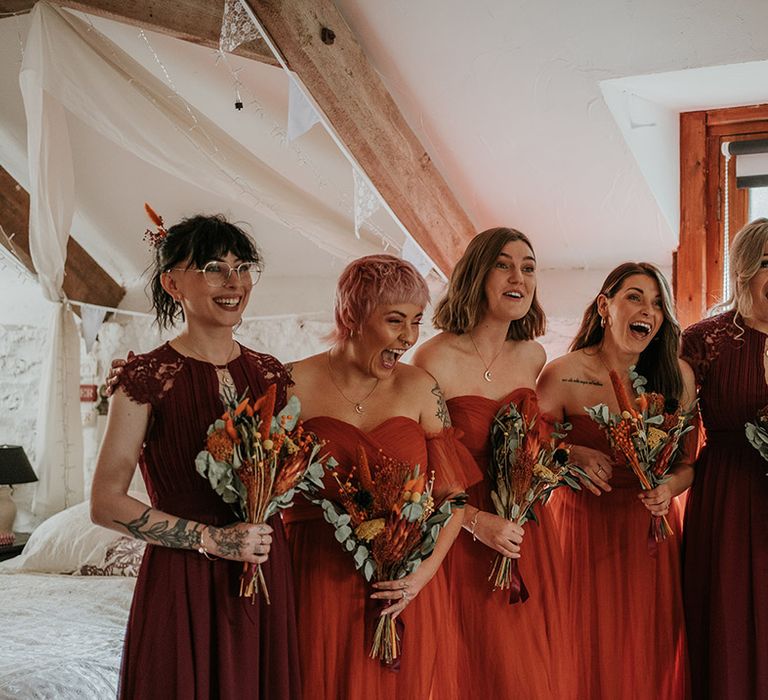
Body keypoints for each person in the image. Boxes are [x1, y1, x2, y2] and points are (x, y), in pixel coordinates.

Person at [91, 214, 300, 699]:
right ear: (172, 282)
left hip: (267, 568)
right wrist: (214, 541)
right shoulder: (145, 378)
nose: (233, 281)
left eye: (242, 266)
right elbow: (104, 502)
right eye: (212, 267)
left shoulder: (272, 376)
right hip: (183, 577)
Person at [283, 254, 465, 700]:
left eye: (417, 321)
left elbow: (453, 499)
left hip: (406, 587)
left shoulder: (422, 388)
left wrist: (421, 576)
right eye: (395, 320)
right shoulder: (292, 383)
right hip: (317, 581)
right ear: (352, 316)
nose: (409, 336)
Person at [413, 227, 577, 699]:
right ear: (477, 274)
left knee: (532, 668)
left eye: (528, 268)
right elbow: (420, 470)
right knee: (475, 666)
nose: (518, 276)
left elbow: (541, 438)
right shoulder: (433, 357)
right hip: (462, 530)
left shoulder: (535, 356)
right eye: (504, 264)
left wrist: (573, 453)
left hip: (527, 530)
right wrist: (476, 521)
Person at [537, 262, 696, 699]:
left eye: (658, 303)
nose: (648, 309)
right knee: (582, 651)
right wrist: (570, 453)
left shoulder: (677, 377)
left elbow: (687, 465)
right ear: (605, 306)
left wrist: (668, 489)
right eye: (635, 297)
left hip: (651, 536)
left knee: (650, 656)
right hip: (582, 532)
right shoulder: (561, 374)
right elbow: (531, 451)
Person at [680, 218, 768, 699]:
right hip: (727, 498)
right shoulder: (703, 340)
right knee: (728, 622)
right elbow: (674, 432)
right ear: (745, 269)